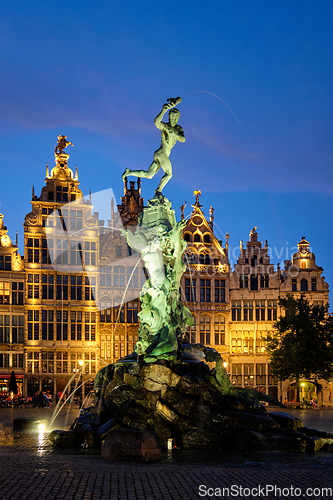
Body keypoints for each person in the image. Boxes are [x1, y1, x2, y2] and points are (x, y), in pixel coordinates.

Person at [122, 97, 185, 195]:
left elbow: (183, 139)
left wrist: (175, 134)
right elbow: (156, 122)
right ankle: (158, 190)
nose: (173, 120)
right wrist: (164, 110)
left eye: (175, 118)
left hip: (160, 154)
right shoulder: (166, 127)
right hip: (162, 153)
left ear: (178, 118)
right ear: (169, 118)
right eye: (171, 118)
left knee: (149, 175)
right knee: (169, 174)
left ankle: (129, 172)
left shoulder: (178, 128)